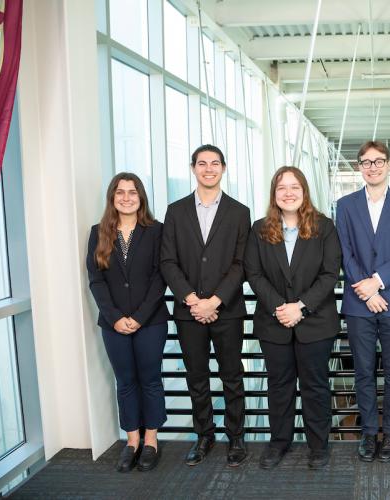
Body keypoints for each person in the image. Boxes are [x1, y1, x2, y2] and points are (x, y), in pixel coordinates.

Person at [245, 166, 342, 470]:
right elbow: (254, 273)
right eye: (282, 188)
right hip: (274, 322)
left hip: (315, 322)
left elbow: (330, 274)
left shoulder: (324, 227)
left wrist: (300, 306)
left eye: (295, 187)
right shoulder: (260, 229)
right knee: (279, 386)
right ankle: (278, 444)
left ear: (304, 191)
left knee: (315, 386)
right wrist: (279, 307)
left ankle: (319, 446)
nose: (288, 193)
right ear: (274, 194)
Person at [160, 145, 251, 467]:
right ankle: (204, 436)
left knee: (232, 376)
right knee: (196, 377)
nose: (208, 168)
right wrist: (192, 300)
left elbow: (242, 263)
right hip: (188, 312)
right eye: (202, 163)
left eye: (214, 163)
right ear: (193, 168)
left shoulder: (240, 212)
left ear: (224, 168)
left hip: (227, 310)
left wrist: (214, 300)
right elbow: (168, 261)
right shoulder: (176, 211)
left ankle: (236, 437)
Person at [336, 141, 390, 463]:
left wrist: (379, 283)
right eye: (366, 162)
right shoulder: (344, 205)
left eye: (379, 161)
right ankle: (369, 433)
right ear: (359, 167)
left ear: (388, 165)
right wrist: (367, 291)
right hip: (359, 305)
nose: (373, 167)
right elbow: (345, 252)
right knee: (363, 372)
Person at [86, 172, 169, 472]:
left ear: (141, 197)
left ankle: (151, 441)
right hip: (113, 324)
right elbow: (96, 280)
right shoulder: (99, 233)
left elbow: (161, 278)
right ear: (112, 198)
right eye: (120, 192)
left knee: (150, 379)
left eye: (132, 192)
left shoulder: (156, 231)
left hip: (152, 321)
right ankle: (131, 440)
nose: (126, 197)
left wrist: (139, 317)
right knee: (125, 381)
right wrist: (115, 317)